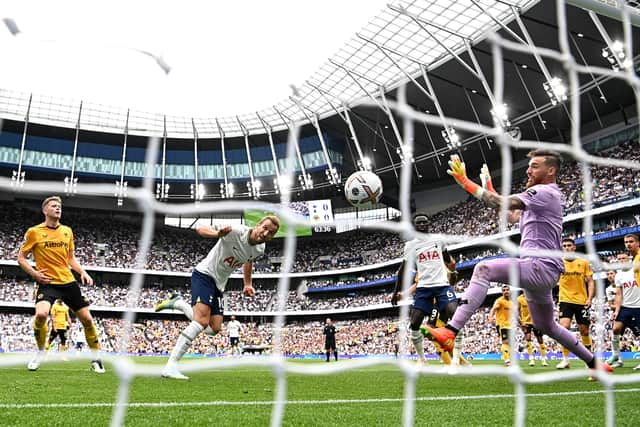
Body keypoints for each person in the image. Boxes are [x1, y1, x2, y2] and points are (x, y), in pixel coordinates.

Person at [423, 152, 611, 377]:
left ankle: (451, 330)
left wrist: (466, 183)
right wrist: (490, 188)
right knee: (547, 326)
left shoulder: (543, 192)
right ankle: (594, 363)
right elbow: (509, 213)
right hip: (542, 272)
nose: (528, 170)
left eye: (534, 166)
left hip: (539, 267)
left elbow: (502, 203)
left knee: (482, 269)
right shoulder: (539, 201)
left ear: (550, 171)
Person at [155, 215, 280, 379]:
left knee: (213, 329)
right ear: (257, 225)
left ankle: (178, 303)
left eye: (270, 233)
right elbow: (200, 227)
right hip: (204, 275)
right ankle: (171, 366)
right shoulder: (235, 231)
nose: (265, 234)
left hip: (219, 284)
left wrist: (247, 283)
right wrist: (217, 234)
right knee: (200, 321)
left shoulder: (260, 249)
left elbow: (248, 260)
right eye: (264, 228)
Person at [17, 196, 105, 373]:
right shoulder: (34, 232)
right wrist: (34, 274)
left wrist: (82, 272)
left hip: (68, 282)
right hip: (47, 282)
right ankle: (41, 352)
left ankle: (96, 359)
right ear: (45, 210)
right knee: (41, 315)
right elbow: (21, 258)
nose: (58, 208)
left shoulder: (67, 231)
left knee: (87, 319)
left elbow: (70, 258)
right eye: (54, 206)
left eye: (59, 206)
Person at [391, 213, 459, 366]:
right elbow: (402, 271)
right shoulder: (410, 246)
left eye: (424, 222)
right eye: (418, 223)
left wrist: (453, 271)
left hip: (442, 286)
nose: (422, 225)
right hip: (424, 289)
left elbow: (449, 260)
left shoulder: (438, 240)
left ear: (429, 224)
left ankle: (456, 356)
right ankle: (422, 359)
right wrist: (396, 292)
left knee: (455, 315)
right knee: (414, 324)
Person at [555, 238, 595, 369]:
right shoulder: (558, 263)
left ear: (574, 248)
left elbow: (590, 281)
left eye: (569, 245)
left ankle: (589, 359)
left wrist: (589, 298)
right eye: (564, 246)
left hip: (581, 302)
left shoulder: (583, 263)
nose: (566, 248)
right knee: (563, 328)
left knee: (584, 331)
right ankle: (565, 359)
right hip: (565, 300)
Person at [606, 252, 640, 369]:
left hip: (638, 306)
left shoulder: (636, 270)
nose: (622, 260)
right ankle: (615, 355)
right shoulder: (618, 276)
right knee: (615, 329)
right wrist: (617, 310)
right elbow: (619, 295)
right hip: (625, 307)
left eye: (624, 258)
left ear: (629, 259)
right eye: (619, 259)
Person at [517, 291, 548, 366]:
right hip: (526, 322)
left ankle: (543, 359)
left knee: (540, 340)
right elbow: (517, 311)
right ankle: (531, 359)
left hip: (536, 321)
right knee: (528, 338)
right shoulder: (519, 299)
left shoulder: (535, 296)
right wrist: (520, 322)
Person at [489, 285, 513, 366]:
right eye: (504, 290)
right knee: (505, 342)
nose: (506, 291)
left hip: (510, 325)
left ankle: (508, 357)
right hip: (501, 324)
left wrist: (521, 323)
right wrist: (491, 317)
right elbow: (493, 309)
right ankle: (507, 360)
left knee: (509, 343)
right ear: (502, 292)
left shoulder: (511, 302)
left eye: (507, 290)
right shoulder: (499, 301)